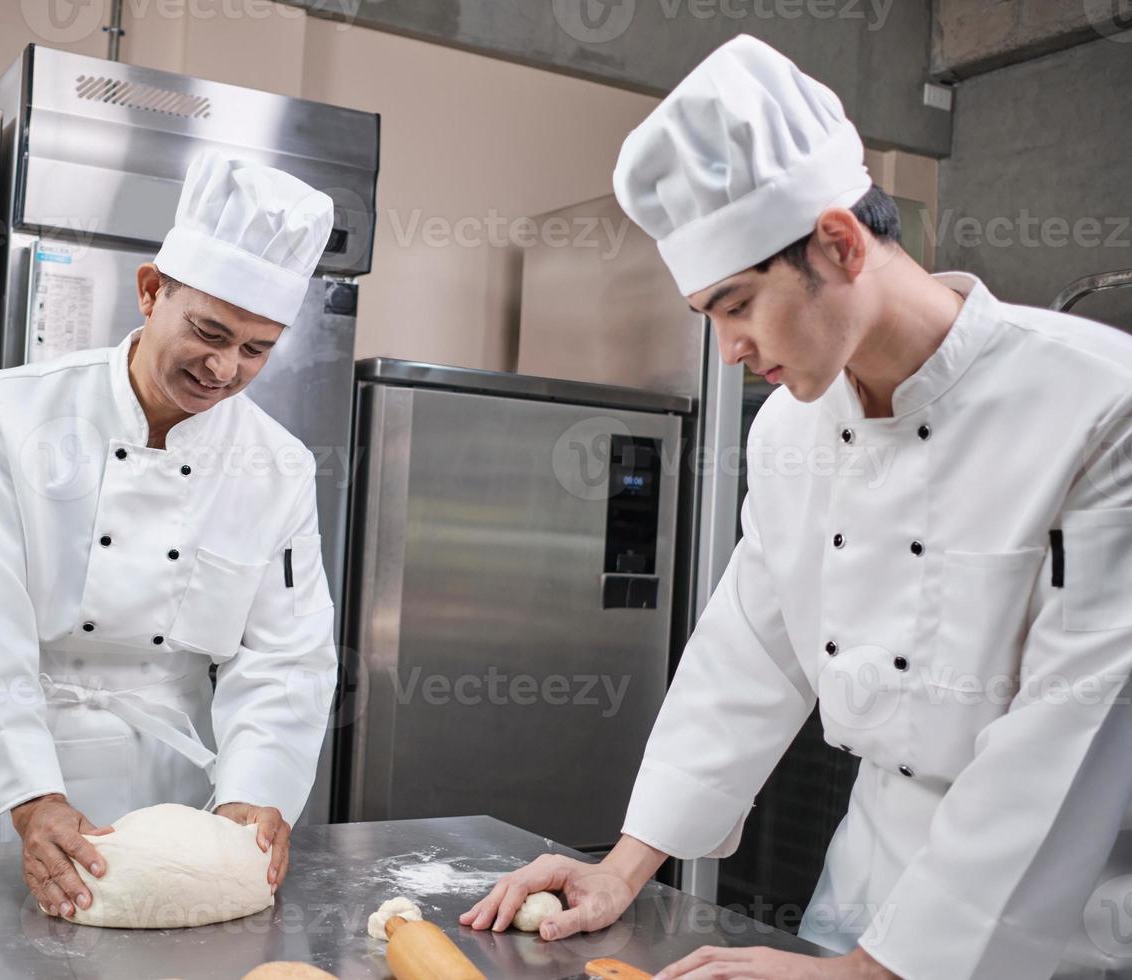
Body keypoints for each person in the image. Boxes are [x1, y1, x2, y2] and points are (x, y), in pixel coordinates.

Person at [463, 34, 1132, 980]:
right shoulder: (789, 431)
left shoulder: (1101, 407)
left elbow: (1075, 729)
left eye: (738, 305)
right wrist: (623, 870)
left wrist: (872, 974)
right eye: (711, 318)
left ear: (840, 242)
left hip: (1051, 929)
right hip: (864, 892)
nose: (731, 347)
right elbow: (747, 654)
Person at [0, 150, 340, 923]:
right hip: (17, 777)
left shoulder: (277, 465)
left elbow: (287, 655)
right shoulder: (15, 412)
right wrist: (31, 797)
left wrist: (256, 795)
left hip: (180, 809)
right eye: (209, 332)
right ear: (151, 292)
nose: (224, 368)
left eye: (256, 349)